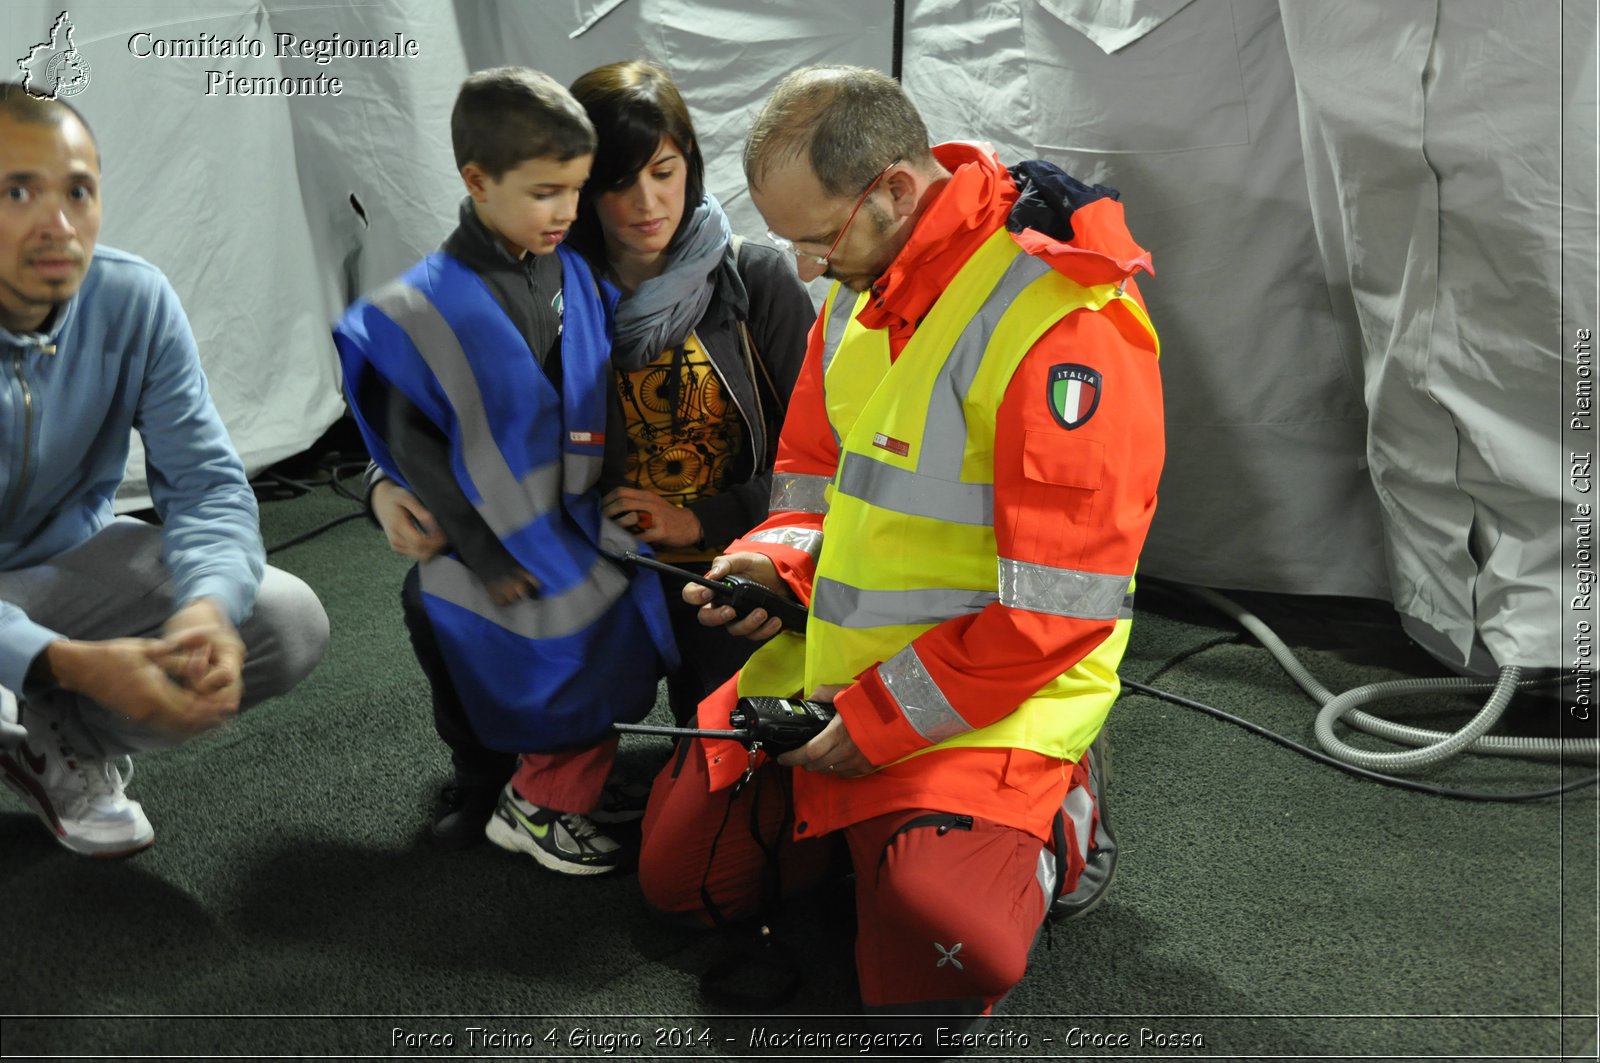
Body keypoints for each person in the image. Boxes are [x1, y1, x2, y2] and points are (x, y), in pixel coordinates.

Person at [636, 66, 1164, 1026]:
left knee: (930, 975)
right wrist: (772, 565)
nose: (802, 268)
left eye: (816, 238)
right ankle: (890, 842)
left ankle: (1057, 814)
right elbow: (808, 477)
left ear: (894, 192)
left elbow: (1058, 610)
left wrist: (878, 723)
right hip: (836, 670)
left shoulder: (1063, 321)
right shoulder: (855, 285)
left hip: (986, 701)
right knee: (684, 886)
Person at [369, 61, 810, 848]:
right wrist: (383, 487)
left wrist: (706, 517)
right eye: (617, 181)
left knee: (735, 803)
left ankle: (626, 761)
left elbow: (817, 457)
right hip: (595, 551)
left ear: (689, 168)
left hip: (735, 557)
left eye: (664, 172)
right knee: (437, 589)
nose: (647, 203)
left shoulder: (756, 276)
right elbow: (431, 405)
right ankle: (489, 775)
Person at [336, 67, 678, 876]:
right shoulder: (424, 303)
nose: (567, 211)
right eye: (545, 192)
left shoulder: (569, 266)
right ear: (477, 181)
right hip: (484, 532)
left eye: (575, 190)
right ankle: (518, 797)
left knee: (618, 624)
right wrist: (480, 553)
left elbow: (591, 385)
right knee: (502, 635)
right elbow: (410, 439)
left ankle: (569, 782)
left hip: (574, 510)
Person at [0, 84, 329, 858]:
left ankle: (55, 735)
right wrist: (66, 660)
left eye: (78, 190)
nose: (58, 223)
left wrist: (208, 610)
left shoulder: (133, 298)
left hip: (64, 563)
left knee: (283, 620)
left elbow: (207, 484)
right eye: (17, 191)